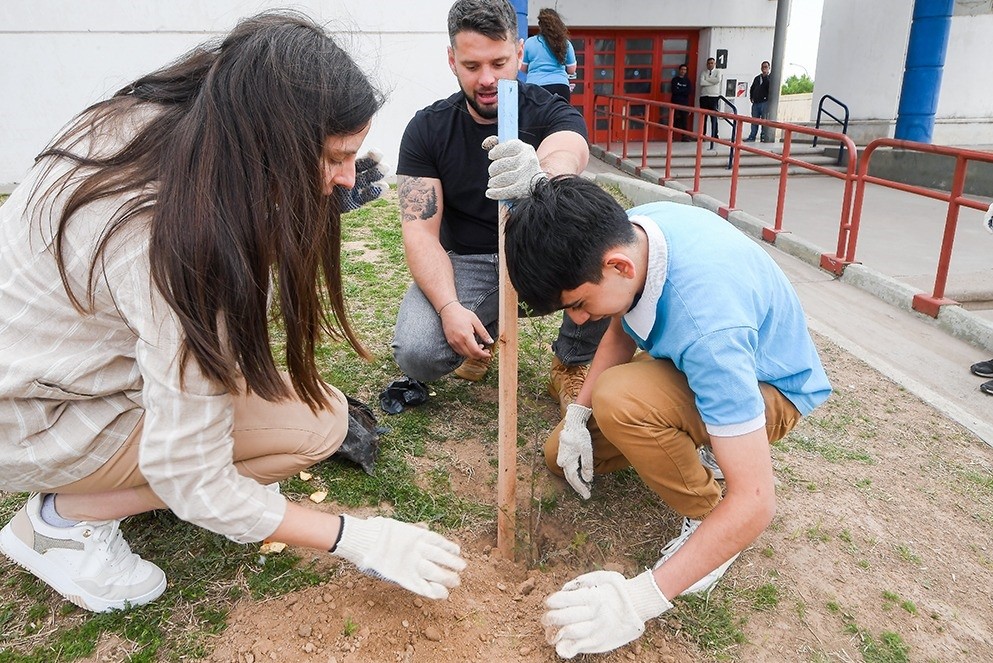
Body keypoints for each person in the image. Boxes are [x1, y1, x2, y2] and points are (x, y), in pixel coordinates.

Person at [0, 12, 466, 614]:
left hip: (51, 368)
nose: (350, 177)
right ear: (272, 142)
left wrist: (296, 202)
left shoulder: (147, 122)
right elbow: (193, 476)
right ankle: (62, 522)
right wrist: (356, 538)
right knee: (311, 431)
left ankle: (95, 485)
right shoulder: (181, 244)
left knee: (320, 413)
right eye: (335, 157)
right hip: (33, 421)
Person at [503, 176, 832, 658]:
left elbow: (757, 502)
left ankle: (708, 512)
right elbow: (622, 327)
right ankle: (695, 441)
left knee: (620, 400)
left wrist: (638, 600)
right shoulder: (635, 234)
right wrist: (576, 417)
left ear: (618, 266)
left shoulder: (710, 330)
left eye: (578, 305)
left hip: (766, 390)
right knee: (561, 455)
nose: (576, 321)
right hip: (693, 368)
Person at [391, 0, 606, 414]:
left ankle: (571, 361)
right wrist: (449, 308)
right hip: (470, 260)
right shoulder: (427, 128)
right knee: (417, 352)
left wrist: (540, 174)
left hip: (541, 252)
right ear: (452, 60)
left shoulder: (548, 109)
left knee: (612, 244)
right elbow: (419, 232)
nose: (487, 79)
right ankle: (481, 333)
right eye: (472, 66)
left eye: (499, 62)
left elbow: (570, 149)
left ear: (519, 52)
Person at [520, 8, 578, 102]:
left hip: (535, 87)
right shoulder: (565, 43)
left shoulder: (530, 42)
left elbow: (522, 67)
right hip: (560, 86)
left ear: (540, 25)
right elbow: (572, 70)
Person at [745, 60, 771, 142]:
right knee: (754, 121)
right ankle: (752, 136)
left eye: (766, 67)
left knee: (764, 121)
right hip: (756, 103)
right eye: (763, 67)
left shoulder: (770, 78)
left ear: (769, 68)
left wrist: (765, 76)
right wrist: (751, 97)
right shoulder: (757, 78)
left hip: (764, 102)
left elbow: (769, 87)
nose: (764, 68)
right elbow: (752, 88)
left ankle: (763, 136)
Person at [698, 57, 722, 140]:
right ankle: (702, 135)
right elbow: (701, 83)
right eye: (708, 63)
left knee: (714, 117)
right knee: (703, 118)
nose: (710, 65)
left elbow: (717, 80)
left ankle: (715, 135)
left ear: (714, 64)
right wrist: (712, 82)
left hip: (714, 97)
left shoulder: (718, 72)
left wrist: (707, 80)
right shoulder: (703, 72)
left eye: (712, 63)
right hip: (704, 96)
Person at [668, 64, 693, 141]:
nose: (683, 71)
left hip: (684, 103)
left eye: (685, 70)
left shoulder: (687, 81)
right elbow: (674, 90)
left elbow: (688, 91)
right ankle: (671, 136)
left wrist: (680, 90)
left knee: (684, 120)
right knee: (673, 119)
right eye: (682, 69)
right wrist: (682, 91)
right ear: (679, 70)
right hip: (675, 102)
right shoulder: (675, 80)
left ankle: (684, 136)